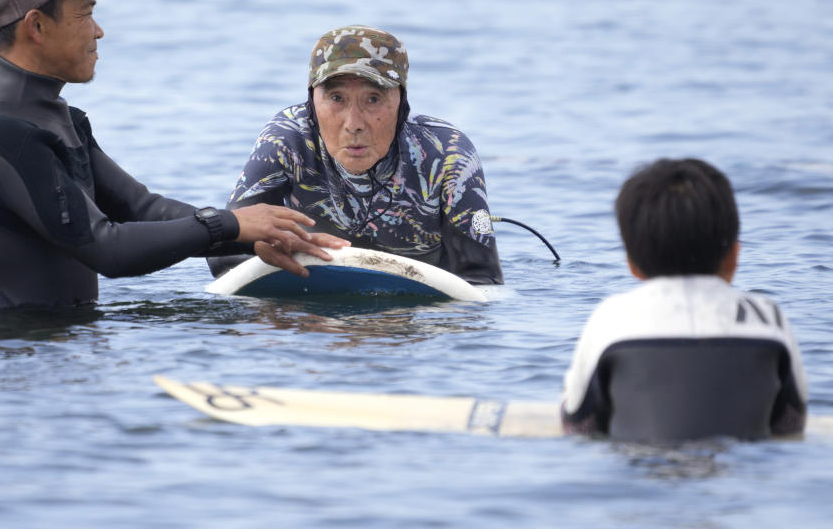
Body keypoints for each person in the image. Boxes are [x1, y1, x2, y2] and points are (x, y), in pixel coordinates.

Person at [0, 0, 347, 308]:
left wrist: (260, 236)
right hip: (27, 358)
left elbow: (142, 209)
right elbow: (106, 248)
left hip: (69, 353)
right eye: (86, 13)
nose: (99, 30)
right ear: (37, 26)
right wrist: (228, 224)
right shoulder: (2, 135)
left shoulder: (60, 121)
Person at [207, 25, 503, 285]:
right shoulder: (288, 141)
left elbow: (482, 281)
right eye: (336, 98)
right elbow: (223, 257)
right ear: (311, 102)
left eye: (373, 99)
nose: (354, 124)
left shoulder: (447, 154)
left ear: (402, 103)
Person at [560, 158, 807, 442]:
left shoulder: (611, 318)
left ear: (631, 263)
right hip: (740, 476)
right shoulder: (767, 318)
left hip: (639, 478)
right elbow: (791, 423)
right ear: (735, 256)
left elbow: (579, 424)